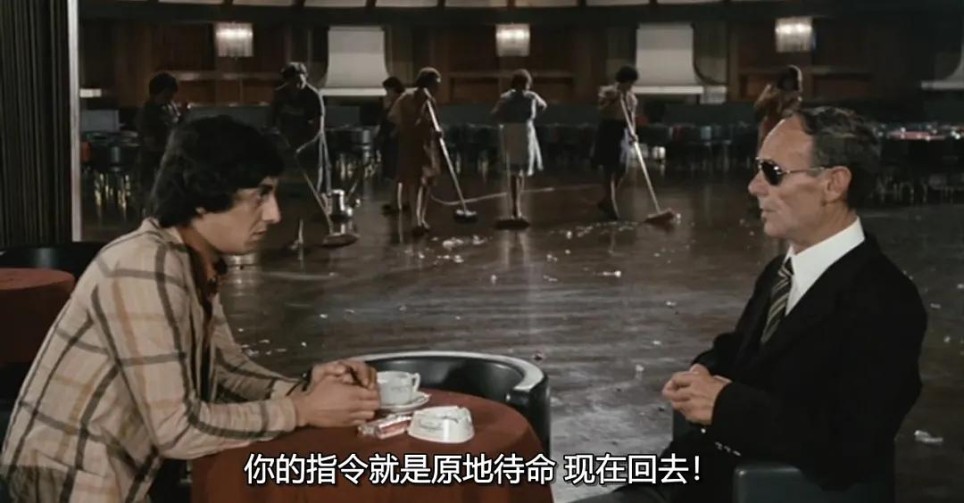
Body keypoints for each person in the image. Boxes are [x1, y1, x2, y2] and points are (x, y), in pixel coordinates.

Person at [0, 116, 381, 502]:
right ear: (203, 197)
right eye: (260, 196)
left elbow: (224, 368)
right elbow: (177, 429)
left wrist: (308, 388)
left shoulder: (192, 259)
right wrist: (300, 410)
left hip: (124, 477)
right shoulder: (144, 265)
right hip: (70, 483)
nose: (274, 214)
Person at [589, 107, 926, 503]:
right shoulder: (781, 271)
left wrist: (725, 404)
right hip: (687, 474)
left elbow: (850, 445)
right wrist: (702, 373)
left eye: (773, 172)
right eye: (757, 169)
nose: (754, 187)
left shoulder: (886, 302)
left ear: (833, 183)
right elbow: (745, 355)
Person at [268, 62, 327, 250]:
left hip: (310, 151)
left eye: (301, 81)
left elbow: (317, 128)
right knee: (291, 195)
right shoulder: (280, 95)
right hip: (287, 151)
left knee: (311, 193)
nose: (298, 85)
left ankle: (318, 235)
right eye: (294, 83)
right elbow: (271, 122)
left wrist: (300, 147)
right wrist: (278, 141)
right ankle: (293, 236)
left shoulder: (313, 96)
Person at [388, 67, 444, 237]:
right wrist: (409, 126)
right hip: (412, 144)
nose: (437, 87)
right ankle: (415, 219)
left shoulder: (430, 100)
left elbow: (433, 121)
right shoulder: (409, 97)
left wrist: (437, 131)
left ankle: (421, 218)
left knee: (427, 181)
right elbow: (395, 117)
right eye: (436, 83)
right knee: (415, 181)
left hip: (427, 144)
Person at [491, 69, 547, 228]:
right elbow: (543, 106)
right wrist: (531, 117)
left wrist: (505, 118)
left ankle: (516, 206)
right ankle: (516, 207)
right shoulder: (530, 97)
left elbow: (494, 114)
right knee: (517, 171)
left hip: (512, 132)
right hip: (522, 132)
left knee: (516, 172)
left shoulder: (508, 98)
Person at [592, 65, 639, 221]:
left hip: (622, 131)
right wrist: (613, 101)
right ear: (622, 81)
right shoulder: (609, 92)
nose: (630, 86)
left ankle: (606, 200)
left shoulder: (631, 98)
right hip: (608, 129)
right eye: (629, 83)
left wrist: (633, 132)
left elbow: (631, 116)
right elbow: (601, 111)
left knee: (622, 168)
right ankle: (611, 204)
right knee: (609, 168)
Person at [136, 72, 185, 213]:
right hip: (153, 163)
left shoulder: (169, 107)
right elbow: (150, 144)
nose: (170, 98)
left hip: (168, 161)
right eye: (167, 94)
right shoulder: (147, 113)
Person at [377, 76, 407, 215]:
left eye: (388, 90)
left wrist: (393, 134)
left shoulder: (401, 102)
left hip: (396, 141)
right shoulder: (393, 102)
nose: (386, 93)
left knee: (396, 173)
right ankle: (395, 202)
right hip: (390, 141)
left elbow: (401, 122)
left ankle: (396, 203)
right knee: (394, 173)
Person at [755, 65, 803, 151]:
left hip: (784, 128)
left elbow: (788, 112)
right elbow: (758, 105)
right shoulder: (771, 89)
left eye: (791, 81)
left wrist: (788, 104)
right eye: (787, 80)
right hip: (768, 125)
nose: (789, 83)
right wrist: (773, 96)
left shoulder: (795, 97)